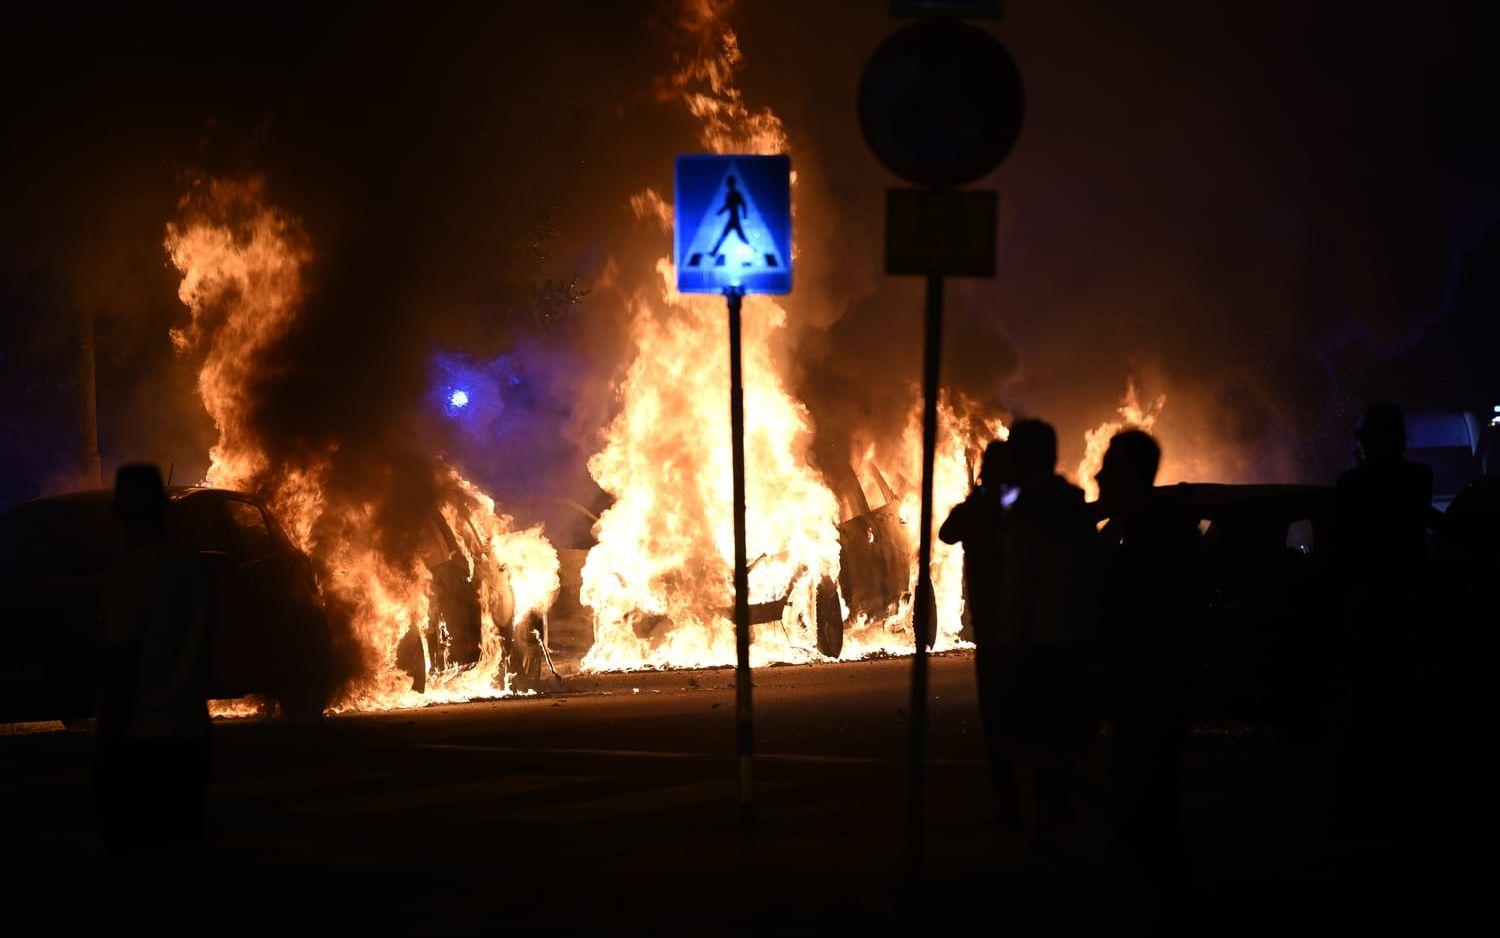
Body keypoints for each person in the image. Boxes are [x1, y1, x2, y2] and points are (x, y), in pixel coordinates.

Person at [94, 464, 215, 906]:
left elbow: (122, 661)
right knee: (183, 854)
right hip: (192, 732)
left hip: (143, 737)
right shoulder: (194, 568)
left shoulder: (129, 576)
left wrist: (107, 738)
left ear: (120, 513)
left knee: (139, 860)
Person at [1327, 404, 1433, 845]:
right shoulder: (1418, 479)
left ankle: (1362, 810)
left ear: (1366, 440)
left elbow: (1339, 551)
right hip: (1404, 607)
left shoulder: (1353, 486)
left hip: (1369, 609)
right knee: (1399, 709)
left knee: (1366, 711)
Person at [1094, 429, 1200, 874]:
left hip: (1151, 685)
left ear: (1131, 475)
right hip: (1144, 685)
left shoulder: (1158, 535)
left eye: (1109, 467)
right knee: (1144, 794)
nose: (1098, 475)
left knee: (1146, 793)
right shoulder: (1147, 527)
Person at [992, 419, 1099, 838]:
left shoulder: (1024, 510)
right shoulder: (1074, 504)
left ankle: (1048, 825)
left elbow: (1019, 583)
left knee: (1038, 737)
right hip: (1076, 639)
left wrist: (1008, 642)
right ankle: (1064, 815)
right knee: (1064, 737)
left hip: (1038, 642)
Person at [939, 439, 1016, 820]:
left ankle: (1010, 801)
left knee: (999, 718)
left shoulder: (987, 507)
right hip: (1017, 626)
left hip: (998, 624)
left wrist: (976, 499)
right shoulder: (1020, 505)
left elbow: (948, 532)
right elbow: (948, 533)